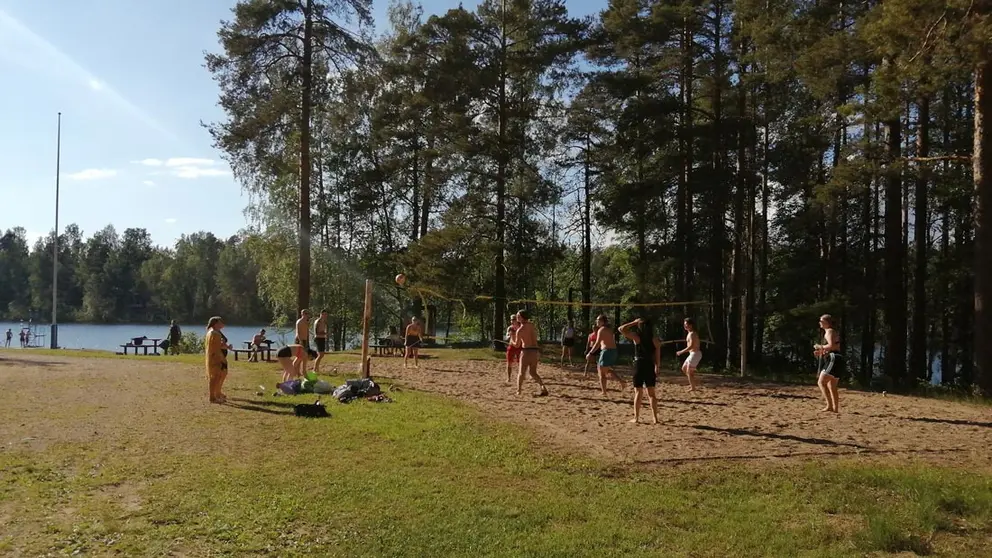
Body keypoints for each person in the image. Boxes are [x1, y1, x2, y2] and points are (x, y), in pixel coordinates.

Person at [618, 317, 661, 424]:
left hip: (639, 364)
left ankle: (636, 417)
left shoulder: (637, 337)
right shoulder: (654, 339)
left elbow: (621, 329)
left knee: (638, 391)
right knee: (651, 393)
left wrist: (633, 322)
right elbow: (657, 355)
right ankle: (655, 418)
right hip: (649, 364)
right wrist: (657, 366)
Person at [587, 314, 626, 395]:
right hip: (612, 351)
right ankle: (621, 381)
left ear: (602, 321)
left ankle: (604, 392)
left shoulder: (601, 330)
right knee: (606, 370)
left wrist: (590, 353)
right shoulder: (608, 329)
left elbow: (597, 343)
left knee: (601, 372)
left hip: (607, 351)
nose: (596, 321)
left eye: (598, 320)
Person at [513, 310, 549, 396]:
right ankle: (542, 386)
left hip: (526, 352)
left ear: (522, 317)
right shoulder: (532, 325)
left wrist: (511, 341)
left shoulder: (520, 330)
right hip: (535, 352)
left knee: (521, 373)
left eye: (518, 316)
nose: (517, 317)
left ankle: (519, 391)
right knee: (533, 372)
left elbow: (517, 345)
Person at [813, 314, 842, 413]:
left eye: (821, 321)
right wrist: (821, 352)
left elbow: (831, 346)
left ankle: (829, 406)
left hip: (833, 358)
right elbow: (833, 347)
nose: (820, 323)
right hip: (837, 357)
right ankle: (835, 408)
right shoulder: (831, 332)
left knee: (821, 382)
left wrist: (819, 347)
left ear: (827, 322)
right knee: (831, 386)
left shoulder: (829, 331)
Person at [205, 316, 232, 404]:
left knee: (220, 375)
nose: (222, 324)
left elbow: (217, 345)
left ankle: (217, 393)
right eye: (220, 322)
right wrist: (220, 358)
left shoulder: (215, 332)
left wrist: (226, 346)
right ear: (216, 323)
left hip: (218, 357)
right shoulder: (214, 333)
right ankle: (212, 397)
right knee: (214, 377)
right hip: (216, 358)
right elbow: (215, 347)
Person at [675, 318, 701, 392]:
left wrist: (681, 352)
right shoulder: (689, 333)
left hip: (695, 354)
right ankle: (692, 382)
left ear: (691, 325)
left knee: (689, 371)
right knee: (684, 368)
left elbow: (691, 346)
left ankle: (693, 387)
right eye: (684, 324)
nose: (685, 326)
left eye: (686, 324)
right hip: (692, 354)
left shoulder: (693, 334)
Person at [505, 315, 522, 384]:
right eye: (511, 320)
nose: (512, 321)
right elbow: (506, 337)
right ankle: (509, 378)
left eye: (514, 319)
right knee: (509, 363)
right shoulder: (510, 328)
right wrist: (509, 335)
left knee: (520, 363)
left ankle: (521, 377)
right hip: (511, 346)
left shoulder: (520, 327)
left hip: (519, 346)